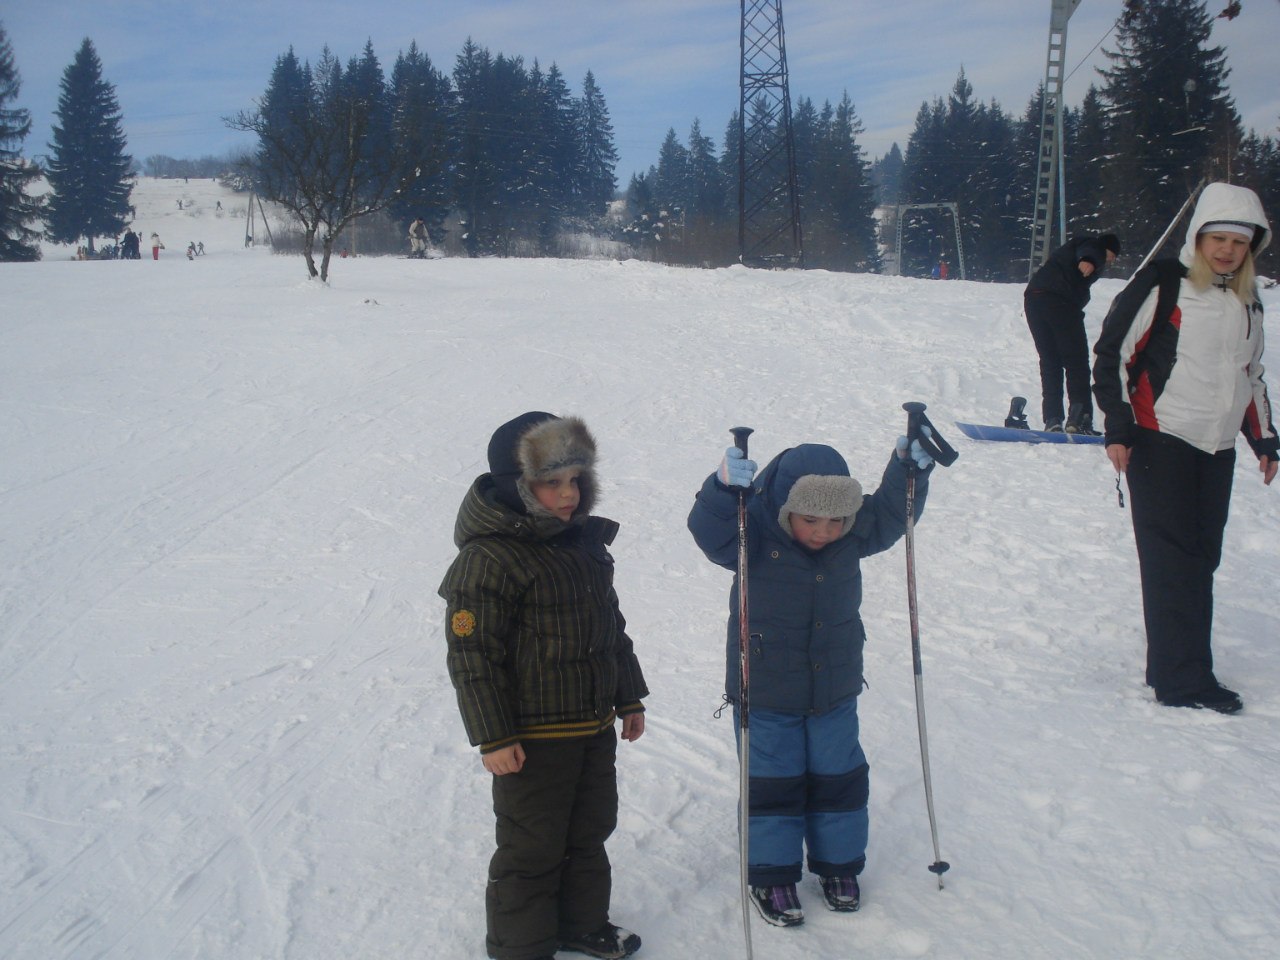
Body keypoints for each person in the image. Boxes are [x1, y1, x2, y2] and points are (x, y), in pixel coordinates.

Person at [686, 427, 936, 928]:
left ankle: (839, 867)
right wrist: (721, 490)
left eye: (835, 520)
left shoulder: (853, 533)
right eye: (809, 520)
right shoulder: (750, 532)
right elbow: (710, 533)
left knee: (838, 780)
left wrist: (908, 470)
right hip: (766, 690)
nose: (823, 532)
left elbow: (893, 513)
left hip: (834, 688)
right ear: (784, 510)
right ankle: (772, 875)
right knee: (773, 786)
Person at [440, 412, 649, 960]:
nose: (568, 494)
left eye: (575, 479)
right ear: (517, 486)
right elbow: (472, 656)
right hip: (531, 741)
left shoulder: (581, 544)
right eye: (551, 482)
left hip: (592, 727)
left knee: (589, 832)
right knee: (532, 846)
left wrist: (628, 695)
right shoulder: (488, 558)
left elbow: (610, 625)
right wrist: (494, 735)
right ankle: (521, 948)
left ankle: (581, 924)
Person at [1092, 182, 1276, 714]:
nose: (1227, 250)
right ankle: (1182, 681)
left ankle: (1177, 664)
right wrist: (1118, 428)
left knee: (1201, 559)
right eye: (1218, 239)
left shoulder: (1247, 300)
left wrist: (1264, 438)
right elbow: (1113, 355)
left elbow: (1251, 375)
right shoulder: (1165, 282)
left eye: (1238, 242)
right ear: (1198, 238)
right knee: (1171, 561)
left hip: (1217, 448)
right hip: (1161, 439)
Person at [1024, 232, 1121, 433]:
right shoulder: (1093, 246)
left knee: (1050, 361)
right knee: (1076, 362)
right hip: (1060, 302)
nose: (1110, 261)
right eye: (1112, 256)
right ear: (1108, 249)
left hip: (1034, 300)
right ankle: (1080, 419)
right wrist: (1090, 259)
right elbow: (1090, 249)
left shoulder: (1069, 252)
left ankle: (1052, 419)